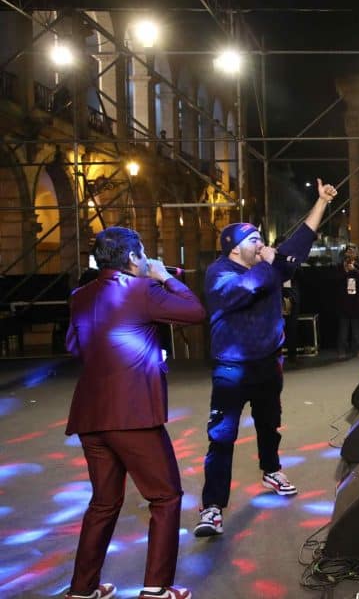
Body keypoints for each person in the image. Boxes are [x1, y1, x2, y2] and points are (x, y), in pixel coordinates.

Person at [64, 227, 205, 599]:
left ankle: (82, 589)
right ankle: (156, 588)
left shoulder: (80, 296)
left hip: (90, 416)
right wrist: (163, 278)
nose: (147, 261)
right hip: (133, 415)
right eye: (144, 256)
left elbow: (74, 345)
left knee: (104, 502)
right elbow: (195, 312)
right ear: (132, 260)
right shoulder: (143, 290)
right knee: (165, 497)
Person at [195, 179, 337, 537]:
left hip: (268, 363)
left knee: (269, 424)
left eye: (260, 238)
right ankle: (212, 507)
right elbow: (243, 290)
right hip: (231, 368)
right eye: (253, 240)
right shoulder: (219, 273)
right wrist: (270, 263)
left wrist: (320, 203)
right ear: (234, 248)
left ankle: (271, 468)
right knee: (222, 436)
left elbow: (300, 240)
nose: (261, 243)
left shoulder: (269, 265)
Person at [332, 242, 359, 359]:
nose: (350, 253)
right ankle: (342, 351)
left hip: (356, 301)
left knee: (357, 329)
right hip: (344, 301)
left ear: (356, 253)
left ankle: (358, 349)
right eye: (348, 250)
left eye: (353, 251)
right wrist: (346, 271)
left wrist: (354, 270)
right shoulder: (339, 265)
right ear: (345, 252)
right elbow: (335, 279)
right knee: (343, 329)